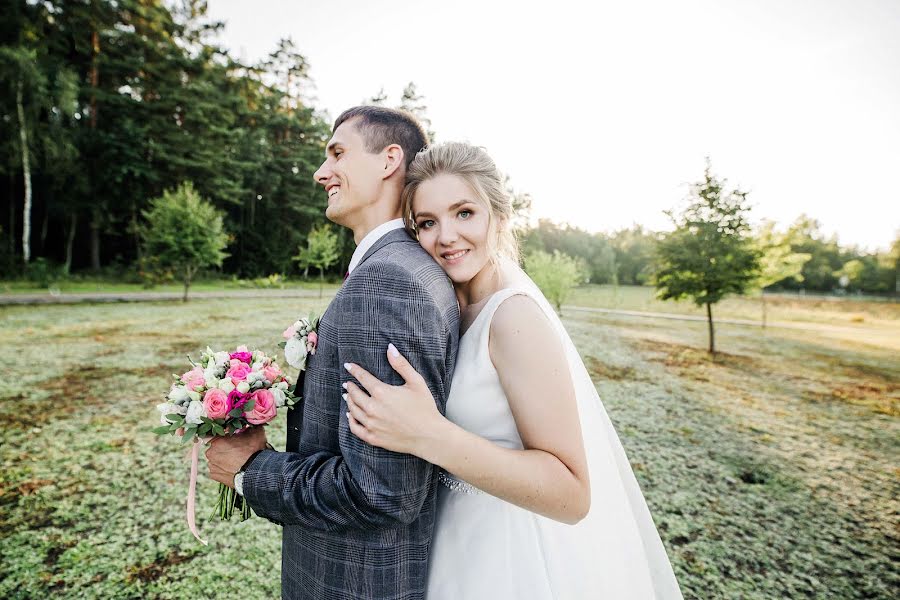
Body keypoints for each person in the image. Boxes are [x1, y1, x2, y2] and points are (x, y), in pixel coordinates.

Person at [342, 142, 683, 599]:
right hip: (451, 543)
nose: (446, 236)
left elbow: (572, 494)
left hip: (506, 559)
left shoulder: (513, 318)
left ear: (499, 218)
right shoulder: (449, 302)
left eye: (464, 213)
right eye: (427, 222)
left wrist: (429, 435)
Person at [205, 107, 460, 600]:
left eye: (337, 153)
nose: (322, 173)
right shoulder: (401, 267)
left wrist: (250, 470)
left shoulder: (387, 281)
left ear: (390, 160)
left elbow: (382, 492)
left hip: (353, 582)